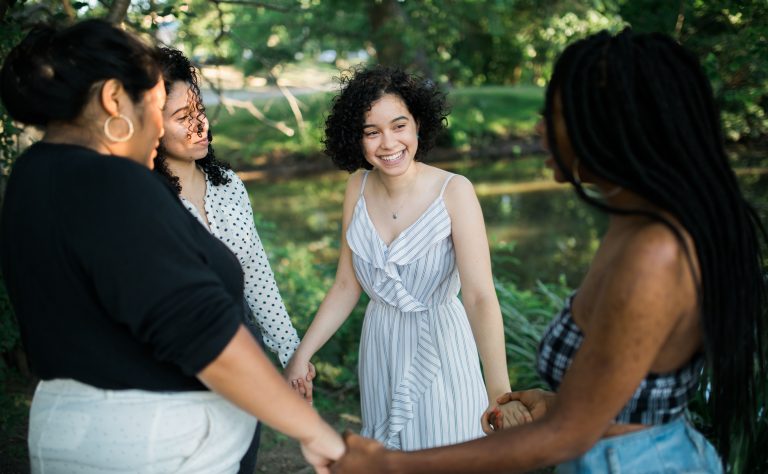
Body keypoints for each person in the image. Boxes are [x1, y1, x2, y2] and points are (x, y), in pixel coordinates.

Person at [331, 29, 767, 473]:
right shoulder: (631, 225)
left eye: (555, 114)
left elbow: (566, 436)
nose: (540, 128)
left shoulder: (656, 253)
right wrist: (552, 401)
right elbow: (624, 402)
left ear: (609, 127)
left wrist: (391, 466)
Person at [0, 19, 342, 473]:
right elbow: (205, 337)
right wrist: (317, 433)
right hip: (156, 445)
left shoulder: (30, 176)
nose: (160, 131)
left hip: (68, 428)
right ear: (113, 100)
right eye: (160, 108)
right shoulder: (113, 182)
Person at [284, 65, 531, 452]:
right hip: (381, 345)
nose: (388, 143)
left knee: (447, 454)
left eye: (399, 126)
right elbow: (347, 285)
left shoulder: (455, 191)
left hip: (443, 348)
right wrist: (303, 354)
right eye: (372, 132)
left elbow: (480, 296)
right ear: (357, 138)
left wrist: (500, 392)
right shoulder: (357, 186)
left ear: (418, 125)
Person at [151, 47, 316, 473]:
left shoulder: (228, 185)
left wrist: (291, 353)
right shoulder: (145, 199)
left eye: (200, 110)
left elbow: (257, 275)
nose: (200, 125)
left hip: (245, 349)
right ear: (152, 125)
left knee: (241, 461)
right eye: (183, 117)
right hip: (178, 359)